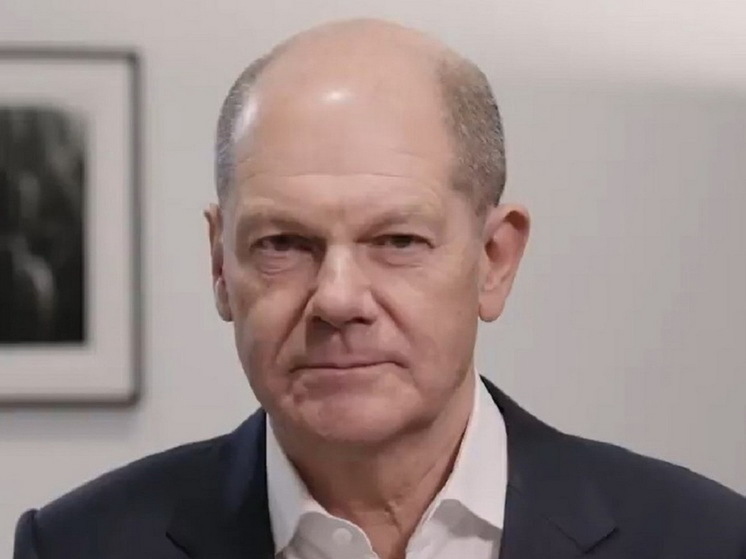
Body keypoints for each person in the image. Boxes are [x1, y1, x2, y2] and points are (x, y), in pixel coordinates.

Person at [13, 18, 746, 559]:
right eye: (283, 244)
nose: (338, 299)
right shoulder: (78, 546)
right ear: (219, 266)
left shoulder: (704, 540)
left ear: (494, 259)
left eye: (397, 241)